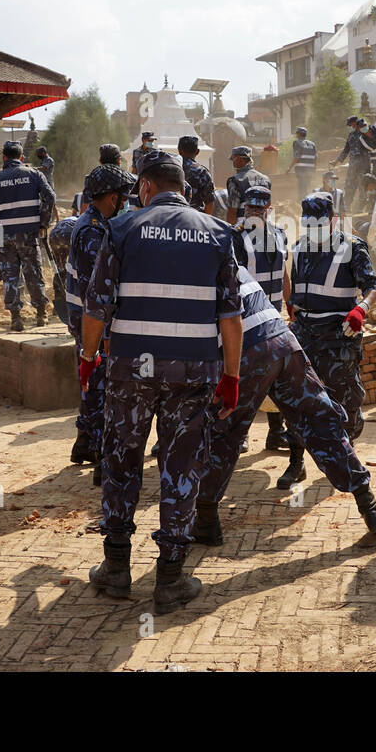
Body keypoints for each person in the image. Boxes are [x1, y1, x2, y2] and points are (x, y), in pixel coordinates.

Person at [79, 150, 242, 613]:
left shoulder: (121, 229)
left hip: (131, 369)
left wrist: (88, 359)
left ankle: (115, 569)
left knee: (122, 460)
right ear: (184, 190)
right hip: (194, 372)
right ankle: (169, 578)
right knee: (181, 465)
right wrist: (231, 377)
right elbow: (231, 317)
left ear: (145, 187)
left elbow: (95, 306)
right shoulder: (216, 233)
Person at [195, 265, 376, 542]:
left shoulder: (181, 270)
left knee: (222, 429)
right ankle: (370, 508)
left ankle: (205, 521)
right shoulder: (224, 255)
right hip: (283, 341)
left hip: (246, 349)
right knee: (320, 420)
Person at [285, 192, 376, 488]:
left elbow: (373, 286)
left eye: (318, 224)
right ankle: (296, 462)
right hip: (304, 334)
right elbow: (294, 284)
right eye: (308, 224)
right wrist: (292, 308)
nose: (312, 230)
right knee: (297, 399)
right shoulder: (300, 246)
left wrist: (361, 309)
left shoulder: (352, 248)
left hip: (339, 334)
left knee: (346, 397)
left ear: (333, 221)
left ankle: (345, 455)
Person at [66, 165, 134, 472]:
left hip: (89, 316)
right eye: (123, 198)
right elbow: (98, 288)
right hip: (93, 319)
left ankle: (84, 441)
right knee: (98, 383)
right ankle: (96, 448)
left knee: (93, 381)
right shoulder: (93, 231)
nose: (126, 203)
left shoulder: (96, 223)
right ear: (110, 198)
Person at [232, 185, 295, 450]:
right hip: (244, 319)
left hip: (274, 315)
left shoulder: (280, 235)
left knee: (277, 373)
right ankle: (241, 433)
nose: (255, 213)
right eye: (251, 208)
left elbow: (283, 273)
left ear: (269, 210)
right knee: (243, 375)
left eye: (261, 208)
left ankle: (274, 431)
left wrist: (290, 303)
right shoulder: (234, 237)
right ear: (244, 208)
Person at [0, 139, 55, 331]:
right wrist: (43, 224)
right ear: (22, 157)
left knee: (10, 276)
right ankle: (41, 315)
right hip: (29, 235)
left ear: (3, 158)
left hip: (5, 237)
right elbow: (50, 197)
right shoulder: (34, 174)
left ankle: (16, 318)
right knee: (33, 273)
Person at [49, 194, 82, 324]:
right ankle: (73, 301)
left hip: (55, 235)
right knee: (75, 269)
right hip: (70, 235)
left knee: (59, 269)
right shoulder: (87, 222)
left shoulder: (74, 218)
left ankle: (58, 302)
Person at [334, 116, 372, 214]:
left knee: (362, 187)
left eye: (351, 125)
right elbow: (346, 150)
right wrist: (336, 161)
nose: (350, 127)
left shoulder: (365, 132)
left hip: (364, 165)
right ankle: (346, 207)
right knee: (349, 186)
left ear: (355, 123)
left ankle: (360, 209)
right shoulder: (351, 135)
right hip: (353, 166)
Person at [225, 146, 270, 221]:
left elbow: (232, 211)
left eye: (233, 159)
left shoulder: (235, 180)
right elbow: (268, 205)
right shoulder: (265, 179)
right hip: (262, 225)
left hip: (243, 226)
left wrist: (230, 230)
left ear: (239, 159)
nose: (233, 162)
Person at [179, 135, 216, 215]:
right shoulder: (202, 172)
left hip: (174, 216)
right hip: (195, 217)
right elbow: (209, 202)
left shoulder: (171, 168)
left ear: (179, 151)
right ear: (197, 152)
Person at [287, 127, 319, 201]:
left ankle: (302, 202)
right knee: (307, 186)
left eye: (296, 133)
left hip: (301, 170)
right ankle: (307, 200)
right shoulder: (312, 144)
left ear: (298, 134)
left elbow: (296, 157)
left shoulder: (297, 142)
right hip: (310, 169)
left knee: (301, 187)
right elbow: (315, 158)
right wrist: (314, 170)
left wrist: (289, 168)